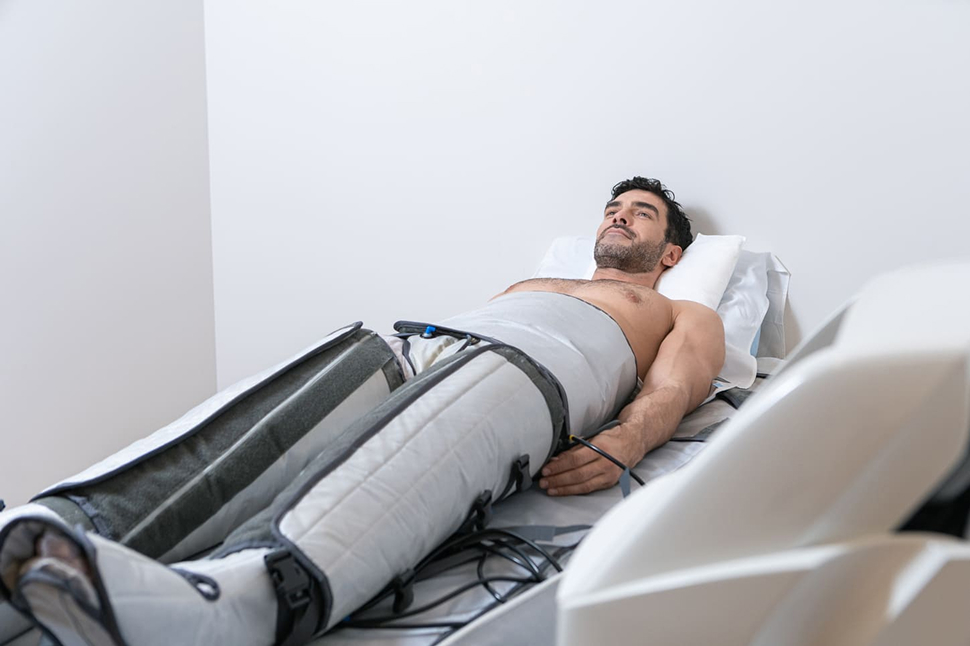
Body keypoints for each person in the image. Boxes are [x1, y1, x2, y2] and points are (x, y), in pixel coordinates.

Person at [0, 176, 724, 646]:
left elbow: (674, 388)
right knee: (249, 434)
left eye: (641, 213)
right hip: (414, 345)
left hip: (530, 372)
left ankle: (240, 602)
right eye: (613, 208)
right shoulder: (532, 282)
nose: (619, 217)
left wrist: (629, 439)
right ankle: (62, 532)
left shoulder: (680, 310)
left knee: (402, 454)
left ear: (670, 253)